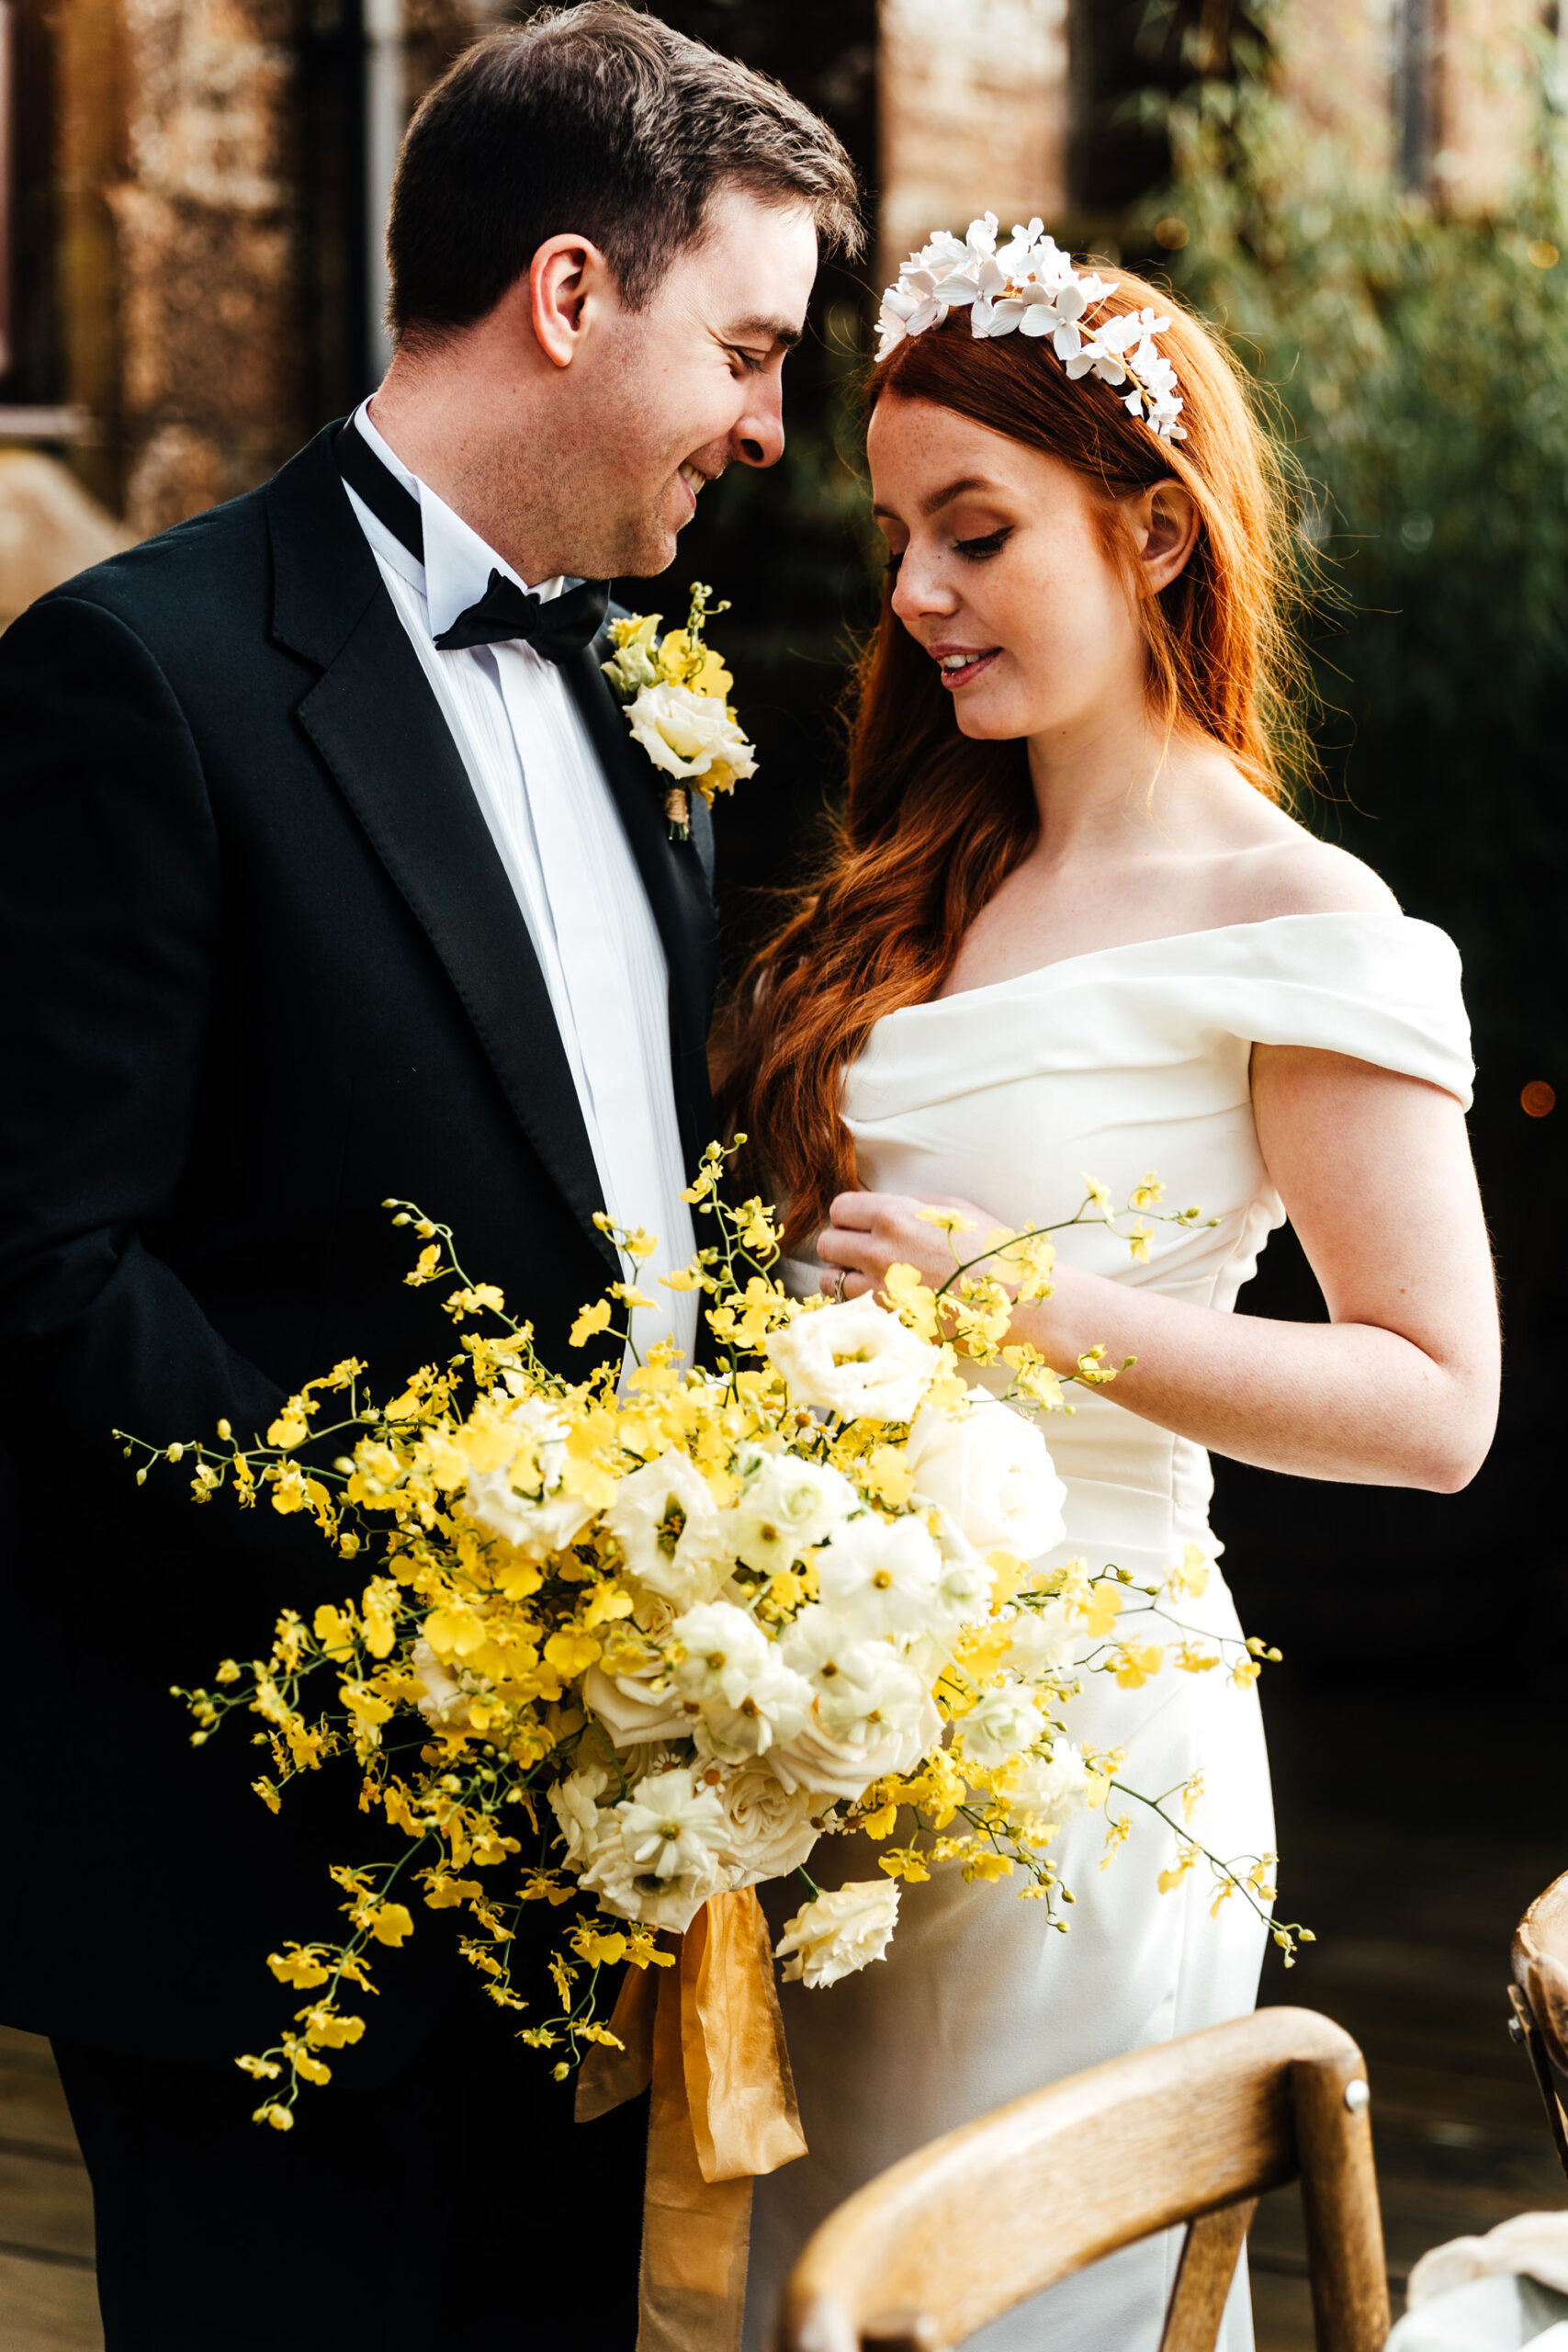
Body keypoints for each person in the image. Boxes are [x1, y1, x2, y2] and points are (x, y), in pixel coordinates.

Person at [0, 8, 858, 2346]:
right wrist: (448, 1543)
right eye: (749, 349)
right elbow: (42, 1272)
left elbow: (623, 1185)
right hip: (258, 1868)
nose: (775, 427)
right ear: (570, 297)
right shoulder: (135, 677)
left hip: (575, 1863)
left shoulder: (649, 700)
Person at [722, 227, 1500, 2351]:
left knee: (1012, 2298)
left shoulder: (1294, 918)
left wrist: (1014, 1299)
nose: (913, 595)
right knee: (808, 2281)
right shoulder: (932, 869)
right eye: (894, 536)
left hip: (1081, 1752)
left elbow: (1435, 1401)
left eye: (974, 533)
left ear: (1153, 530)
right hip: (826, 1725)